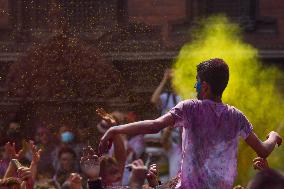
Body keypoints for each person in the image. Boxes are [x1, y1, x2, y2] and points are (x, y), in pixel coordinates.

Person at [99, 58, 282, 189]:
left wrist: (115, 129)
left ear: (206, 86)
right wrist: (273, 136)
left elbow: (155, 125)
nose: (195, 86)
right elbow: (264, 151)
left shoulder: (190, 108)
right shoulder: (236, 116)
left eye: (197, 82)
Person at [150, 68, 182, 178]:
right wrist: (164, 79)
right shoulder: (167, 97)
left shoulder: (187, 96)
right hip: (167, 136)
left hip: (180, 136)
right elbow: (154, 100)